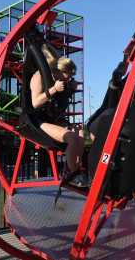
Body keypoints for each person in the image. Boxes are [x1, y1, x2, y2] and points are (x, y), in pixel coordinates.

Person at [29, 44, 87, 186]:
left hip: (52, 119)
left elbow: (58, 105)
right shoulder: (39, 77)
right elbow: (35, 103)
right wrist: (54, 90)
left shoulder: (59, 81)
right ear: (60, 70)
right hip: (36, 121)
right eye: (69, 75)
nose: (70, 79)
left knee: (86, 135)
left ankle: (80, 170)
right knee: (72, 138)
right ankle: (72, 175)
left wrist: (69, 91)